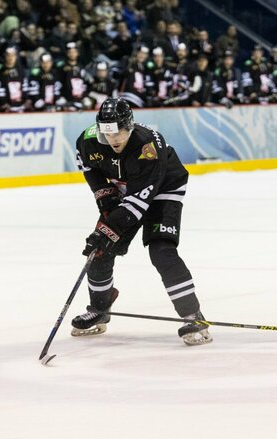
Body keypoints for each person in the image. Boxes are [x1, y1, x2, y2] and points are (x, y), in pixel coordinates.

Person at [71, 98, 212, 346]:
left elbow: (138, 203)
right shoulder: (87, 139)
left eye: (118, 133)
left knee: (161, 251)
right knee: (100, 250)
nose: (112, 140)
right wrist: (104, 198)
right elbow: (89, 169)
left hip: (163, 187)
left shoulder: (148, 146)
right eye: (107, 134)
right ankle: (100, 309)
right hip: (125, 188)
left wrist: (108, 228)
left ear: (130, 126)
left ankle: (193, 315)